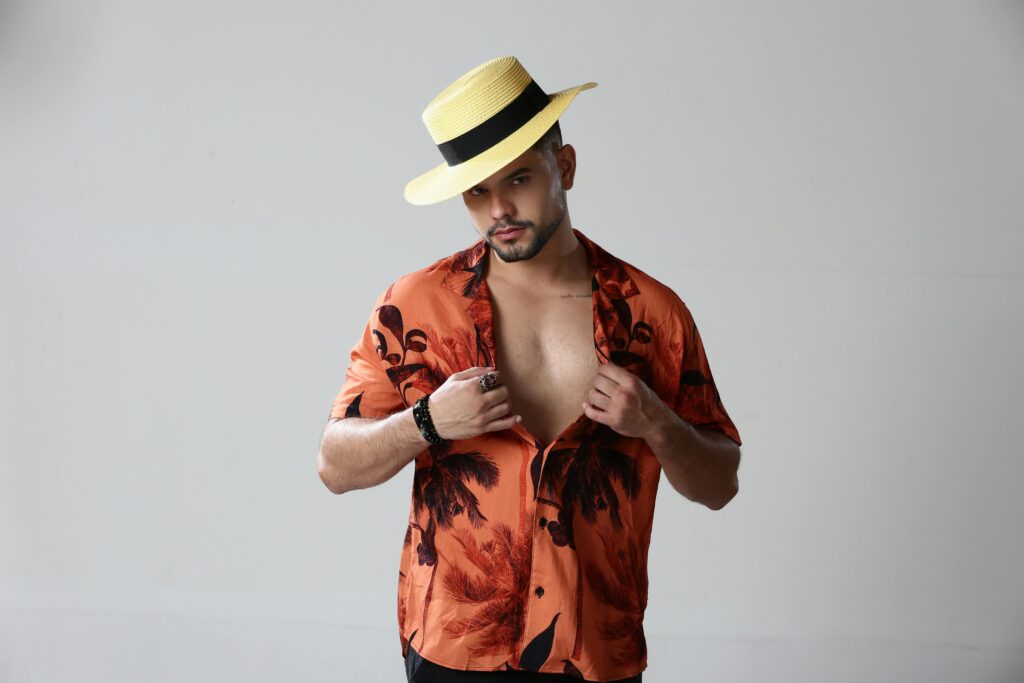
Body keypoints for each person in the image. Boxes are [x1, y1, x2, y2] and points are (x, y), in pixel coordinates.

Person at [317, 56, 743, 683]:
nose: (498, 210)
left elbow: (720, 483)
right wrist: (427, 423)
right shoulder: (415, 308)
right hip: (456, 649)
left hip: (594, 653)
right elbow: (334, 464)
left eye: (518, 180)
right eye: (478, 192)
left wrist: (656, 422)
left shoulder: (650, 313)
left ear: (564, 167)